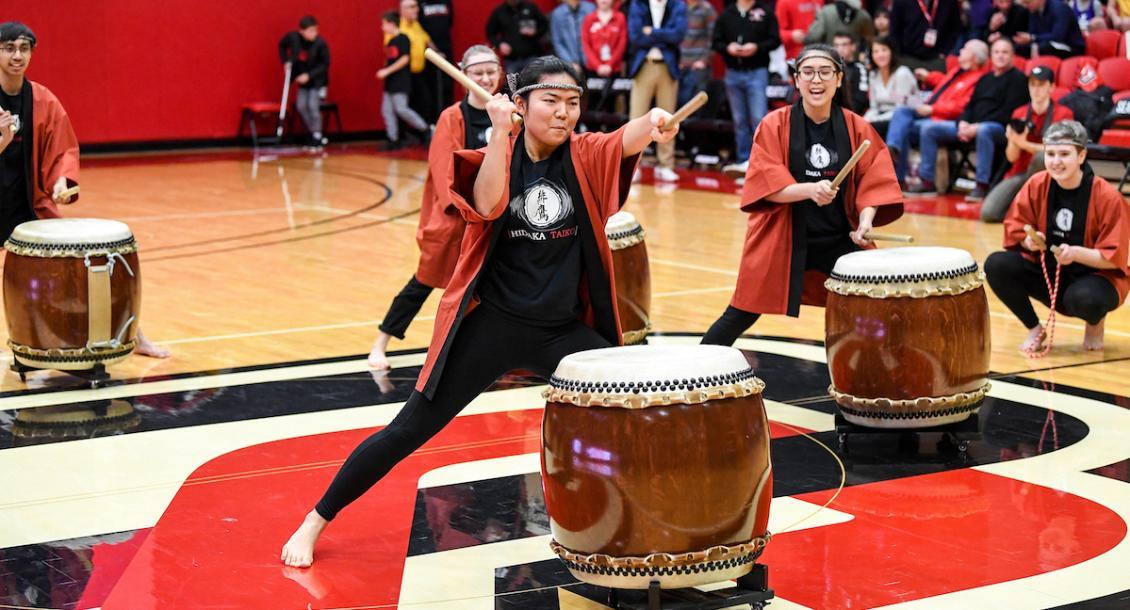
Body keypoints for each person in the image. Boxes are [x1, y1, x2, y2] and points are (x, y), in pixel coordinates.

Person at [281, 56, 679, 567]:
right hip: (495, 324)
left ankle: (650, 523)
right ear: (521, 104)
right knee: (408, 429)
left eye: (573, 103)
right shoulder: (497, 152)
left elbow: (630, 134)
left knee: (639, 410)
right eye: (551, 102)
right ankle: (315, 520)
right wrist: (496, 134)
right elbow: (489, 204)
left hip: (563, 332)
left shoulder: (585, 153)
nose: (564, 114)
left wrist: (655, 121)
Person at [702, 44, 903, 346]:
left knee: (874, 305)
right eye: (807, 73)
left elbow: (873, 183)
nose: (816, 80)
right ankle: (701, 367)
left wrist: (865, 222)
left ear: (838, 79)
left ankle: (869, 376)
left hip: (838, 237)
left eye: (824, 72)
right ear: (796, 80)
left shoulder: (857, 127)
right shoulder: (774, 124)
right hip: (783, 236)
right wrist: (810, 190)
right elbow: (766, 186)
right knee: (743, 310)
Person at [0, 22, 169, 359]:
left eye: (24, 48)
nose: (17, 56)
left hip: (28, 203)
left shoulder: (42, 100)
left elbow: (63, 150)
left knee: (79, 263)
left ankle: (130, 335)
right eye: (8, 48)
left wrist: (62, 181)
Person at [368, 46, 504, 369]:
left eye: (490, 72)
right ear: (463, 75)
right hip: (456, 219)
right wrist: (474, 208)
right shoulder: (452, 118)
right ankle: (380, 343)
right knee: (425, 280)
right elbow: (445, 173)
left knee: (497, 287)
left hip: (496, 219)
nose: (485, 78)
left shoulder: (507, 113)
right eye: (477, 73)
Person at [984, 120, 1130, 353]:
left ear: (1081, 156)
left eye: (1064, 154)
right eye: (1050, 154)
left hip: (1094, 277)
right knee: (996, 264)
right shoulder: (1037, 184)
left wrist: (1075, 254)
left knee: (1085, 299)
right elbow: (1016, 226)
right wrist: (1028, 240)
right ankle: (1034, 328)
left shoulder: (1108, 196)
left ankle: (1094, 322)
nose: (1056, 161)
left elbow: (1113, 257)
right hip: (1050, 272)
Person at [905, 38, 1027, 199]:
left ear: (1012, 56)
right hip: (971, 125)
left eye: (1005, 52)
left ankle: (981, 185)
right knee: (930, 129)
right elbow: (970, 106)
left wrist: (975, 126)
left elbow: (1009, 112)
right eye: (996, 52)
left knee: (984, 130)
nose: (1000, 56)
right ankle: (928, 182)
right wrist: (963, 123)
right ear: (991, 55)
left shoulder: (1018, 79)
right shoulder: (986, 79)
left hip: (999, 127)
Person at [884, 39, 988, 184]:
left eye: (965, 49)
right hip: (931, 111)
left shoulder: (979, 79)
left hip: (948, 121)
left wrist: (933, 109)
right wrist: (929, 77)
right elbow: (945, 83)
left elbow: (962, 107)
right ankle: (894, 152)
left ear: (975, 58)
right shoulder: (958, 71)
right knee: (902, 112)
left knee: (921, 128)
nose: (961, 50)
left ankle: (927, 181)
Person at [980, 65, 1073, 222]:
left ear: (1052, 88)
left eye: (1041, 85)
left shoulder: (1063, 114)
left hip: (1051, 177)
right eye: (1032, 85)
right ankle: (1022, 211)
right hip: (1020, 173)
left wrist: (1022, 143)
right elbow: (1011, 158)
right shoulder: (1019, 113)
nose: (1036, 90)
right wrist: (1014, 141)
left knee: (1042, 157)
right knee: (989, 213)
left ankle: (1035, 208)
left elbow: (1057, 152)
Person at [714, 0, 780, 179]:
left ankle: (761, 163)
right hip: (733, 72)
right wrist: (728, 48)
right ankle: (744, 161)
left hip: (757, 71)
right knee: (739, 120)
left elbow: (775, 40)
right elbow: (716, 41)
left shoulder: (765, 13)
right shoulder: (727, 14)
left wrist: (757, 47)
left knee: (758, 119)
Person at [627, 0, 687, 183]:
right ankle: (632, 167)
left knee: (669, 119)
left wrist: (652, 32)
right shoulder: (638, 4)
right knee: (636, 118)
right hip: (644, 66)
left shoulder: (677, 5)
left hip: (667, 67)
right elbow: (636, 36)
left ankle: (665, 165)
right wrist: (664, 38)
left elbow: (678, 34)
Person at [377, 12, 429, 151]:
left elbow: (404, 59)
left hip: (401, 81)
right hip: (390, 82)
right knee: (387, 110)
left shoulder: (403, 38)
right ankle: (393, 139)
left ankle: (426, 130)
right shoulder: (391, 41)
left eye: (384, 24)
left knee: (401, 109)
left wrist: (387, 71)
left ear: (391, 23)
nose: (382, 27)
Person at [279, 16, 330, 148]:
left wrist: (309, 75)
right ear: (302, 31)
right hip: (302, 80)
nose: (314, 33)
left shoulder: (320, 44)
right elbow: (282, 45)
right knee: (302, 106)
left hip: (317, 80)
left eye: (315, 30)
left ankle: (317, 135)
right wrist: (285, 61)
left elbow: (325, 64)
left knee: (313, 106)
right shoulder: (293, 38)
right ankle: (313, 133)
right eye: (311, 31)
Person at [863, 35, 918, 138]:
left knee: (872, 128)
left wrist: (873, 121)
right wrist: (864, 120)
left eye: (884, 50)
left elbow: (900, 109)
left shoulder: (902, 73)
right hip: (882, 117)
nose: (880, 55)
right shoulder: (873, 75)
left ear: (891, 52)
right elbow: (874, 107)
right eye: (876, 51)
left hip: (904, 117)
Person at [888, 0, 961, 71]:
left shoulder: (948, 2)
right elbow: (894, 30)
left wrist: (944, 52)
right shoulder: (901, 2)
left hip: (937, 58)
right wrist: (900, 54)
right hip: (908, 57)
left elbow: (954, 28)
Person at [487, 0, 550, 74]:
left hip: (532, 56)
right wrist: (500, 44)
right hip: (511, 59)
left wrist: (535, 32)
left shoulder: (530, 7)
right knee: (513, 84)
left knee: (535, 82)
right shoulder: (499, 11)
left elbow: (544, 25)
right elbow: (490, 33)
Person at [678, 0, 718, 107]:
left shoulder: (707, 9)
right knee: (678, 104)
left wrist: (704, 61)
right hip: (679, 65)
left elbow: (714, 38)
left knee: (695, 106)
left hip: (698, 66)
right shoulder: (678, 6)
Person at [1015, 0, 1086, 58]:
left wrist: (1032, 38)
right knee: (1019, 48)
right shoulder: (1034, 11)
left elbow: (1058, 36)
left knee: (1044, 47)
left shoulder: (1059, 8)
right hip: (1049, 43)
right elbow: (1033, 32)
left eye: (1028, 2)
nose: (1026, 6)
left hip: (1071, 47)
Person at [581, 0, 628, 77]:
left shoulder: (620, 18)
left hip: (614, 69)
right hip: (593, 69)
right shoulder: (589, 19)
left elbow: (622, 43)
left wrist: (610, 65)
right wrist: (598, 66)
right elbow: (586, 44)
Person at [551, 0, 596, 75]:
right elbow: (557, 41)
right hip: (570, 61)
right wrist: (570, 62)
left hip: (592, 61)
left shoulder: (591, 8)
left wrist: (593, 59)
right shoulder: (557, 13)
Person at [805, 0, 876, 47]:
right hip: (854, 59)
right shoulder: (863, 15)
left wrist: (805, 39)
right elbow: (870, 38)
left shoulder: (825, 12)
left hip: (830, 58)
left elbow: (813, 37)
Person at [833, 32, 869, 114]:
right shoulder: (829, 69)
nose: (840, 49)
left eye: (844, 45)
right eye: (836, 45)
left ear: (853, 46)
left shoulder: (859, 68)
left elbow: (860, 100)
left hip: (851, 115)